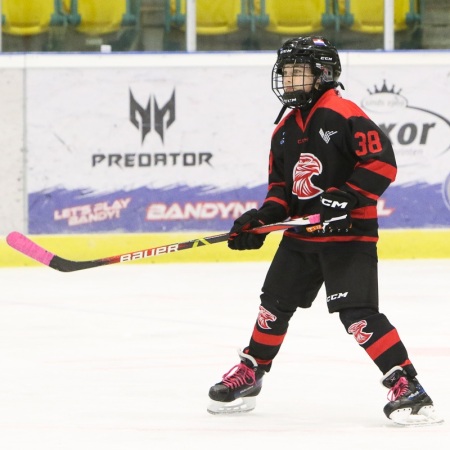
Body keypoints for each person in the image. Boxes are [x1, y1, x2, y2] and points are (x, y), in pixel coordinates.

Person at [207, 36, 442, 426]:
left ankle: (407, 385)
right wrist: (260, 221)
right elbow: (282, 192)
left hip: (348, 236)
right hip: (300, 238)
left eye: (297, 71)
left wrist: (347, 196)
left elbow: (382, 163)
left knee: (358, 316)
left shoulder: (343, 113)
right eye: (285, 71)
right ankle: (252, 371)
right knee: (273, 306)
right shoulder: (282, 130)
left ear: (324, 74)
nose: (288, 78)